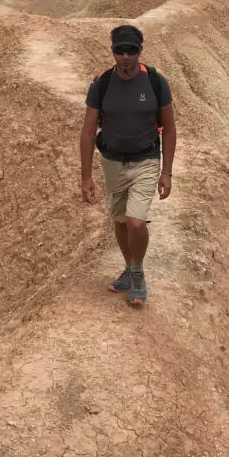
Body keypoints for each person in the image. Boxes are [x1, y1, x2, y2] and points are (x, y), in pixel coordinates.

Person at [80, 24, 176, 306]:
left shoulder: (156, 81)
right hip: (112, 161)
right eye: (119, 51)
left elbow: (169, 129)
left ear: (140, 51)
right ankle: (130, 268)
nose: (125, 57)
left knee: (136, 222)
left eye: (131, 51)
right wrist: (86, 177)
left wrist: (166, 172)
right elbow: (87, 132)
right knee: (120, 221)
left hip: (146, 160)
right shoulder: (102, 83)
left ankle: (137, 272)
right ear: (113, 52)